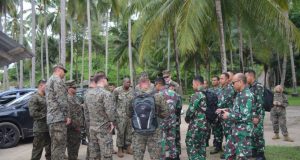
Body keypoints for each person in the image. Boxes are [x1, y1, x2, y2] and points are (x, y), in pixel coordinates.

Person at [127, 72, 169, 160]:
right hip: (154, 130)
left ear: (139, 84)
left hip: (138, 132)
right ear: (150, 83)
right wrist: (156, 114)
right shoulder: (158, 96)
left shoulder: (132, 96)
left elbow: (128, 114)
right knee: (155, 156)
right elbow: (166, 113)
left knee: (138, 157)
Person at [218, 73, 253, 160]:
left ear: (240, 82)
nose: (232, 85)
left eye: (233, 83)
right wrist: (226, 110)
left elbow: (245, 116)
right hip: (235, 130)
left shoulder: (246, 96)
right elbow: (238, 110)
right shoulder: (240, 94)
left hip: (243, 132)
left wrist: (229, 115)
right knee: (229, 155)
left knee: (242, 157)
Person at [85, 74, 116, 160]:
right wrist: (113, 122)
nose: (107, 81)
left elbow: (86, 112)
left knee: (94, 155)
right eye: (106, 79)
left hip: (92, 128)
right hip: (104, 129)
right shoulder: (106, 94)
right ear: (102, 80)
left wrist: (90, 124)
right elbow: (110, 111)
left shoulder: (88, 94)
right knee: (106, 155)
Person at [46, 63, 71, 160]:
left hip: (52, 118)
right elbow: (62, 100)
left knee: (55, 146)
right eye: (64, 71)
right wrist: (67, 116)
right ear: (59, 70)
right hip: (58, 118)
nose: (64, 74)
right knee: (59, 147)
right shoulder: (57, 80)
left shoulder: (49, 80)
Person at [155, 77, 182, 160]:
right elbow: (179, 107)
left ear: (159, 84)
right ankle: (173, 157)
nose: (155, 87)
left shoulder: (157, 95)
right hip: (172, 121)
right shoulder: (174, 93)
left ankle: (162, 158)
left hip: (161, 122)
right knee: (172, 141)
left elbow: (155, 110)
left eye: (155, 85)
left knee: (161, 142)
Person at [185, 75, 208, 160]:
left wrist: (187, 118)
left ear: (197, 83)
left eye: (193, 84)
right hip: (204, 124)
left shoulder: (197, 95)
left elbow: (191, 110)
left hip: (196, 125)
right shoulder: (207, 93)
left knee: (191, 143)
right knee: (201, 146)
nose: (192, 86)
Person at [245, 70, 265, 160]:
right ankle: (254, 151)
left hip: (257, 114)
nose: (245, 79)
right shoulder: (250, 87)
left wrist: (257, 116)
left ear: (251, 76)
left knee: (258, 134)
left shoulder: (258, 86)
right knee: (252, 133)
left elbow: (260, 102)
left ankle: (261, 154)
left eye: (246, 77)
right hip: (251, 114)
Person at [29, 79, 51, 160]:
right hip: (39, 129)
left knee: (50, 150)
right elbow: (33, 113)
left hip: (48, 128)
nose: (47, 88)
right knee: (37, 150)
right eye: (46, 86)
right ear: (41, 86)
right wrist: (47, 115)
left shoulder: (46, 97)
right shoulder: (34, 98)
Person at [113, 77, 134, 157]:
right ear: (123, 82)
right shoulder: (117, 90)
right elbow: (113, 103)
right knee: (121, 133)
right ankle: (120, 149)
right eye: (127, 82)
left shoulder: (132, 91)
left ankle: (128, 148)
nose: (129, 84)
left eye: (129, 82)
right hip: (120, 116)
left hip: (129, 116)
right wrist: (114, 117)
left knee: (129, 132)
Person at [65, 80, 83, 160]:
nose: (76, 89)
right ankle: (72, 158)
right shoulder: (67, 98)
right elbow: (71, 113)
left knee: (76, 143)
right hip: (72, 126)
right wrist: (76, 125)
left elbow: (78, 109)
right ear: (69, 88)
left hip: (78, 124)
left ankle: (74, 157)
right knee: (72, 144)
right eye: (74, 87)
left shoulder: (75, 97)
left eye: (76, 87)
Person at [208, 76, 223, 154]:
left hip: (221, 112)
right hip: (213, 113)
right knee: (215, 130)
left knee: (221, 130)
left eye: (215, 80)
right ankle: (217, 146)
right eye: (212, 80)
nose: (213, 81)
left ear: (218, 81)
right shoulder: (209, 90)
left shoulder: (221, 90)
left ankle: (219, 146)